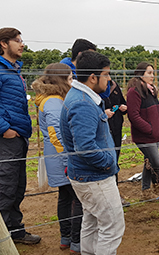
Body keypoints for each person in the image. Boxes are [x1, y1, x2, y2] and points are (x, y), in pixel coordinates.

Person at [60, 51, 125, 254]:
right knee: (112, 227)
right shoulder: (83, 103)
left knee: (92, 222)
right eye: (106, 75)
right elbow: (85, 147)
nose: (109, 79)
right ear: (93, 77)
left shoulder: (81, 97)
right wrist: (108, 162)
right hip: (95, 177)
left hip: (85, 176)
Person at [32, 63, 82, 253]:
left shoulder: (53, 99)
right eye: (70, 78)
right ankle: (76, 242)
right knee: (77, 199)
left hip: (57, 157)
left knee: (65, 197)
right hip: (62, 158)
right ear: (61, 80)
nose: (72, 81)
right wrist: (69, 158)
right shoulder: (53, 102)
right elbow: (56, 133)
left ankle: (66, 238)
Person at [0, 27, 41, 244]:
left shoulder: (14, 70)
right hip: (7, 137)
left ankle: (14, 231)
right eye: (17, 40)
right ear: (4, 44)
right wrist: (4, 129)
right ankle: (3, 239)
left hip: (19, 136)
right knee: (5, 186)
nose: (22, 44)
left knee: (17, 186)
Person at [126, 62, 159, 201]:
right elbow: (133, 115)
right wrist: (149, 129)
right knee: (157, 163)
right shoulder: (134, 92)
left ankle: (146, 192)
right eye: (149, 73)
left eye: (153, 73)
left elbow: (158, 111)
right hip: (145, 136)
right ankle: (156, 186)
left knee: (149, 162)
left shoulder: (151, 90)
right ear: (140, 74)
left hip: (154, 135)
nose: (152, 76)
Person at [100, 80, 130, 207]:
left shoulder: (114, 85)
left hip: (117, 128)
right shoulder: (95, 88)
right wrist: (103, 113)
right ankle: (105, 196)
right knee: (105, 161)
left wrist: (124, 107)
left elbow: (122, 101)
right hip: (103, 131)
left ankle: (115, 193)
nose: (108, 76)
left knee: (115, 160)